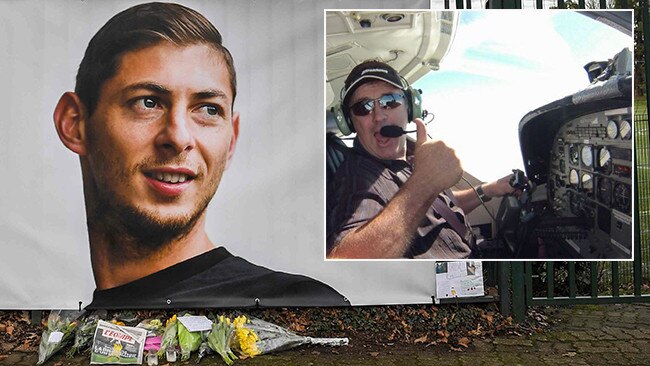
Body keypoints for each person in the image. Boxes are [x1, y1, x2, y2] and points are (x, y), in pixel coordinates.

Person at [53, 2, 348, 308]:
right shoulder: (69, 333)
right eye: (147, 103)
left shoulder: (295, 305)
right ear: (75, 124)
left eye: (209, 110)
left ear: (231, 140)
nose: (179, 138)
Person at [327, 60, 517, 259]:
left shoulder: (409, 158)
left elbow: (437, 206)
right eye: (363, 107)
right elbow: (344, 260)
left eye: (389, 101)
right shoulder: (356, 178)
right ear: (349, 122)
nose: (378, 116)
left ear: (410, 107)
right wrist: (424, 183)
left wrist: (489, 189)